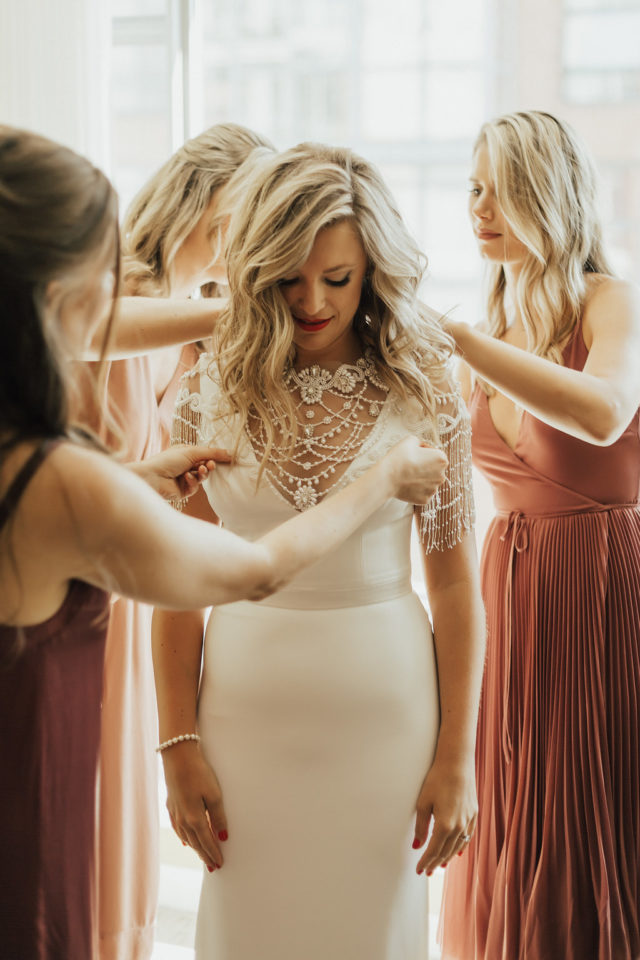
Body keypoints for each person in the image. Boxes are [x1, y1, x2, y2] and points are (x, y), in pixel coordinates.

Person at [0, 126, 448, 960]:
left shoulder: (41, 471)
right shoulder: (67, 478)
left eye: (336, 278)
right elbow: (253, 569)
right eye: (103, 284)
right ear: (53, 302)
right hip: (42, 783)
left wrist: (129, 481)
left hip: (377, 711)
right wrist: (382, 478)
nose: (117, 304)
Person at [153, 143, 486, 960]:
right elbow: (179, 589)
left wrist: (457, 757)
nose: (311, 301)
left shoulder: (427, 390)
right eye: (288, 279)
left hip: (386, 717)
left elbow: (454, 589)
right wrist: (177, 746)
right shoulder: (204, 391)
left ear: (372, 271)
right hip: (242, 718)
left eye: (337, 279)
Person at [439, 111, 640, 960]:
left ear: (548, 194)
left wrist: (462, 344)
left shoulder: (610, 303)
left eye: (501, 190)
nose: (479, 208)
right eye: (473, 189)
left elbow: (604, 414)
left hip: (601, 586)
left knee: (592, 796)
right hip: (508, 592)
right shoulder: (488, 331)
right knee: (509, 797)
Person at [81, 122, 274, 960]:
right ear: (200, 197)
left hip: (132, 588)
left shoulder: (192, 335)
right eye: (240, 217)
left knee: (115, 803)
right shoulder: (116, 289)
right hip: (83, 584)